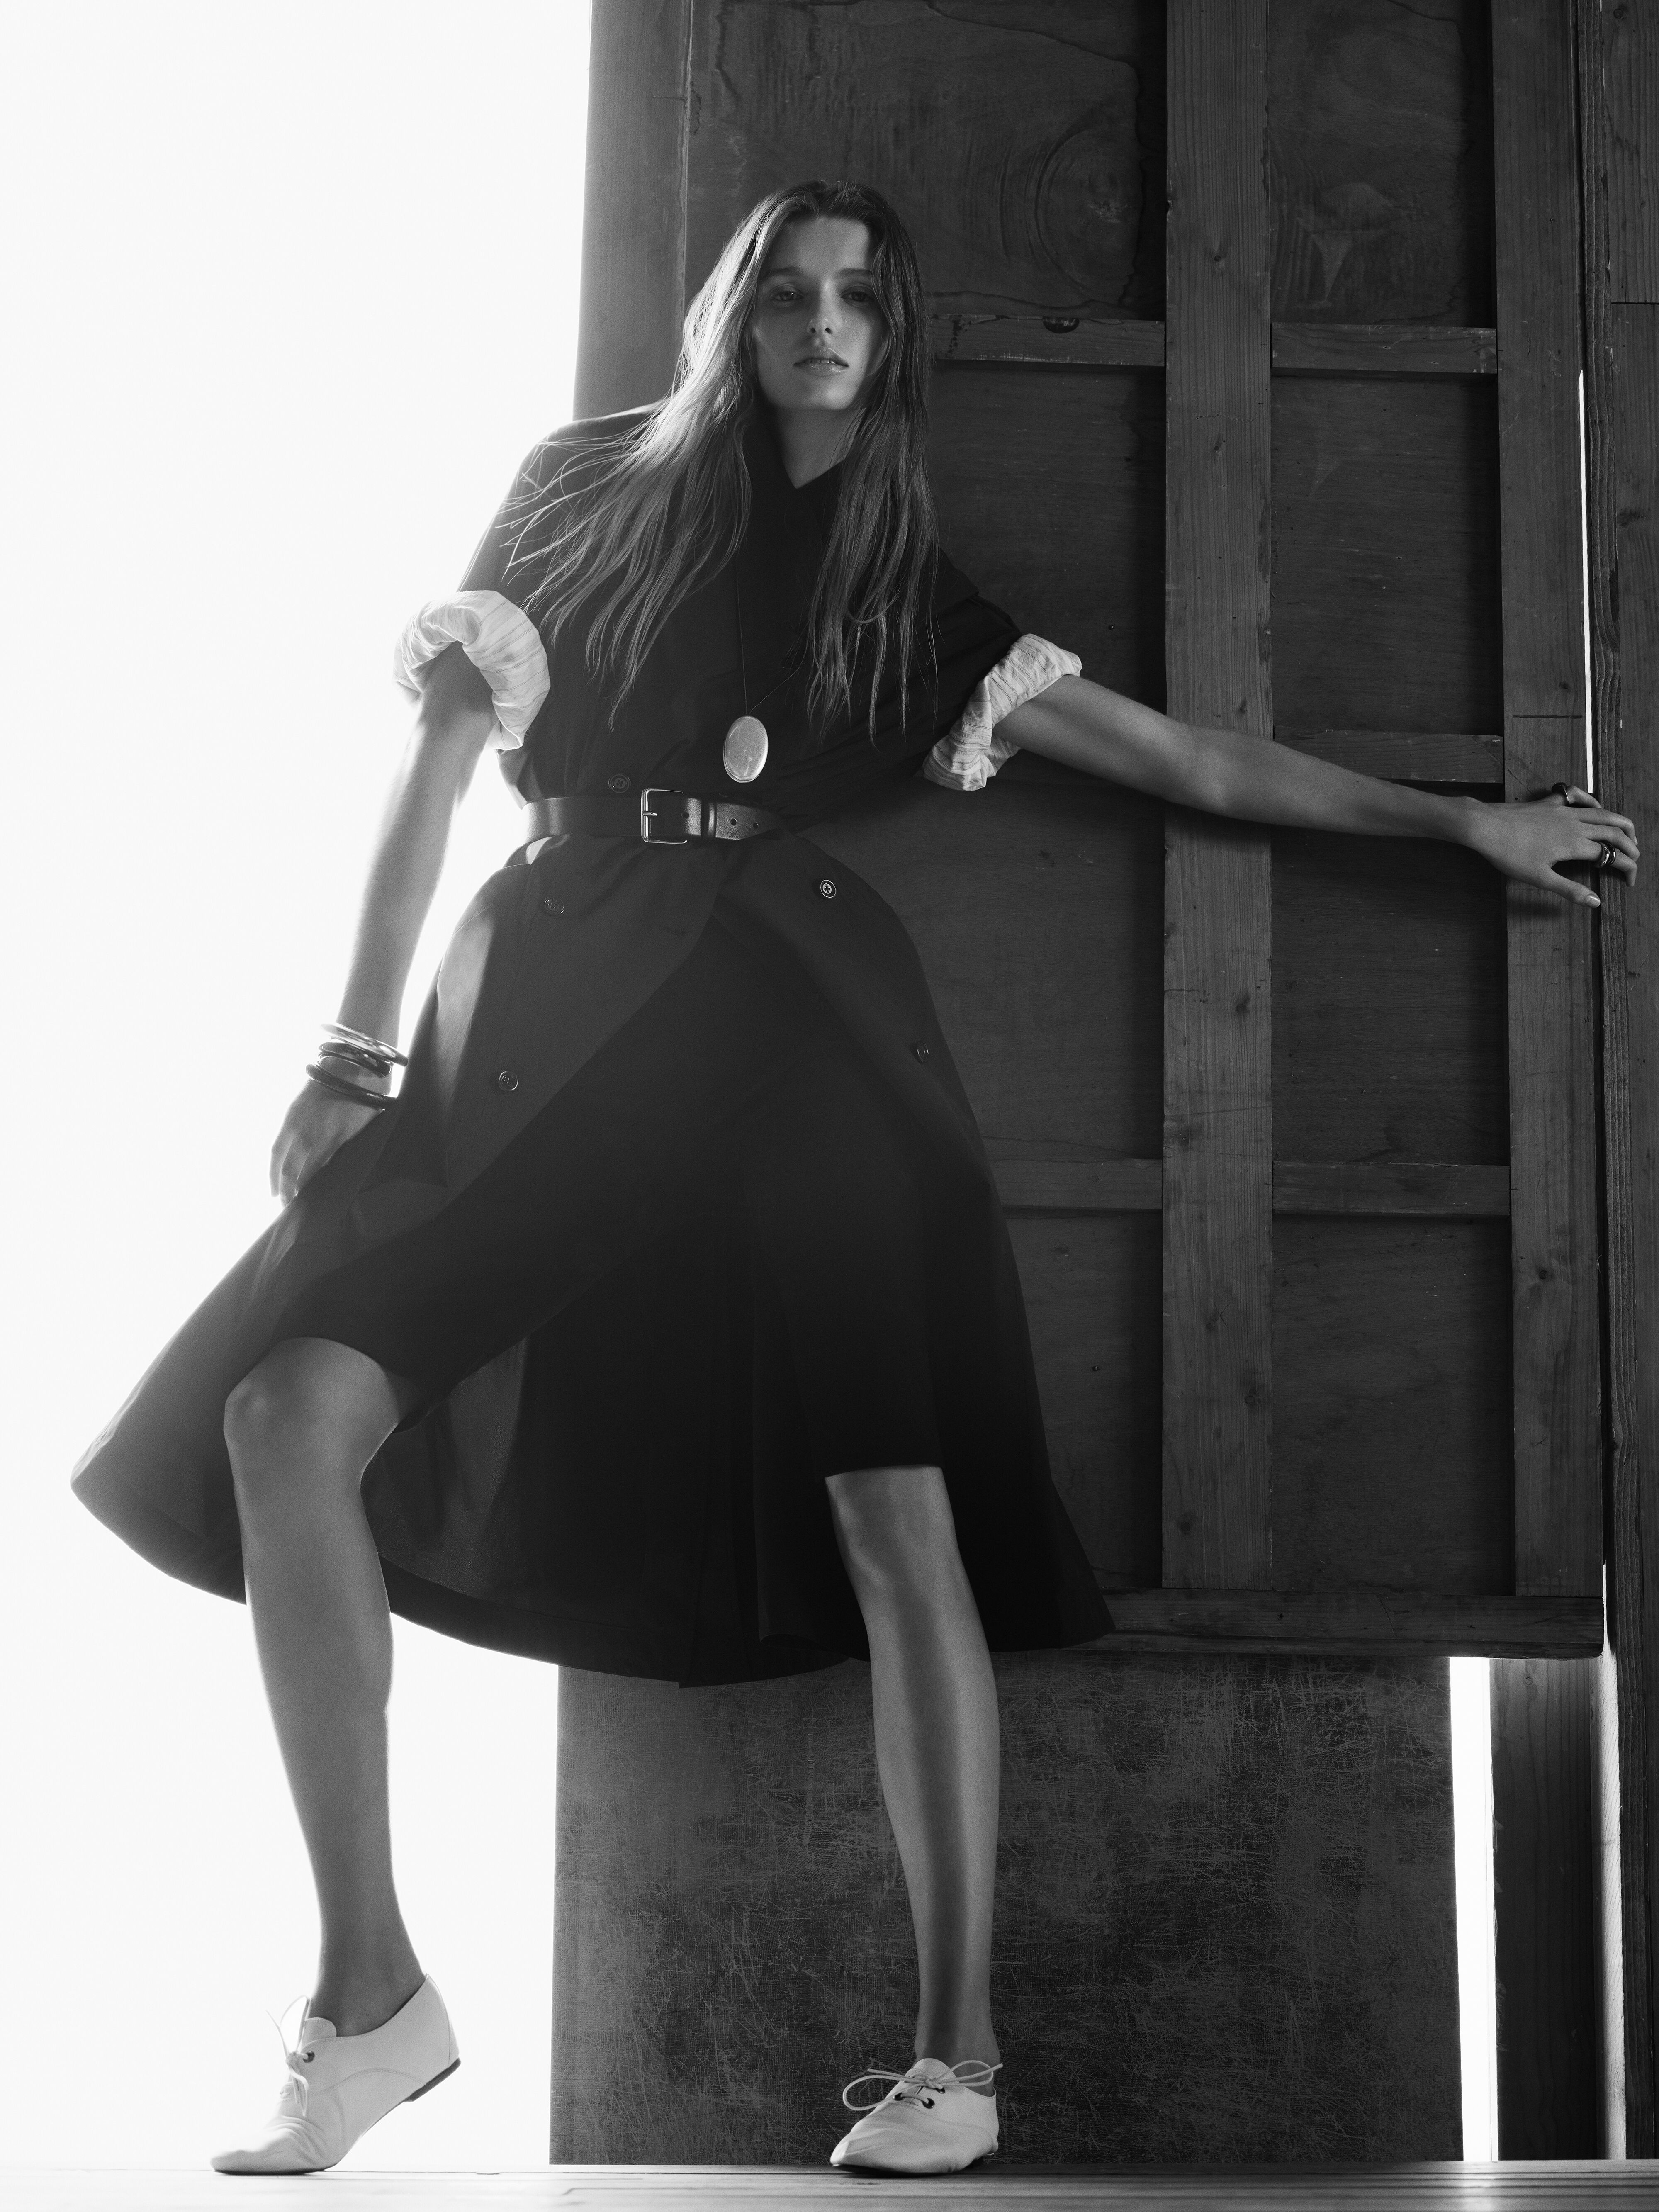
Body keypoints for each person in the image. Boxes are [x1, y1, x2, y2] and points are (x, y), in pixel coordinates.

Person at [73, 178, 1637, 2179]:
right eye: (788, 292)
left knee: (897, 1514)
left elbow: (1187, 762)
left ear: (894, 338)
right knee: (286, 1411)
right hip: (549, 1007)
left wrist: (1461, 826)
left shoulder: (907, 586)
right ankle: (367, 1999)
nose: (822, 323)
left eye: (861, 299)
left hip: (795, 1027)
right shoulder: (578, 490)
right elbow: (441, 763)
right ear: (731, 317)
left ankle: (956, 2057)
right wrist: (354, 1048)